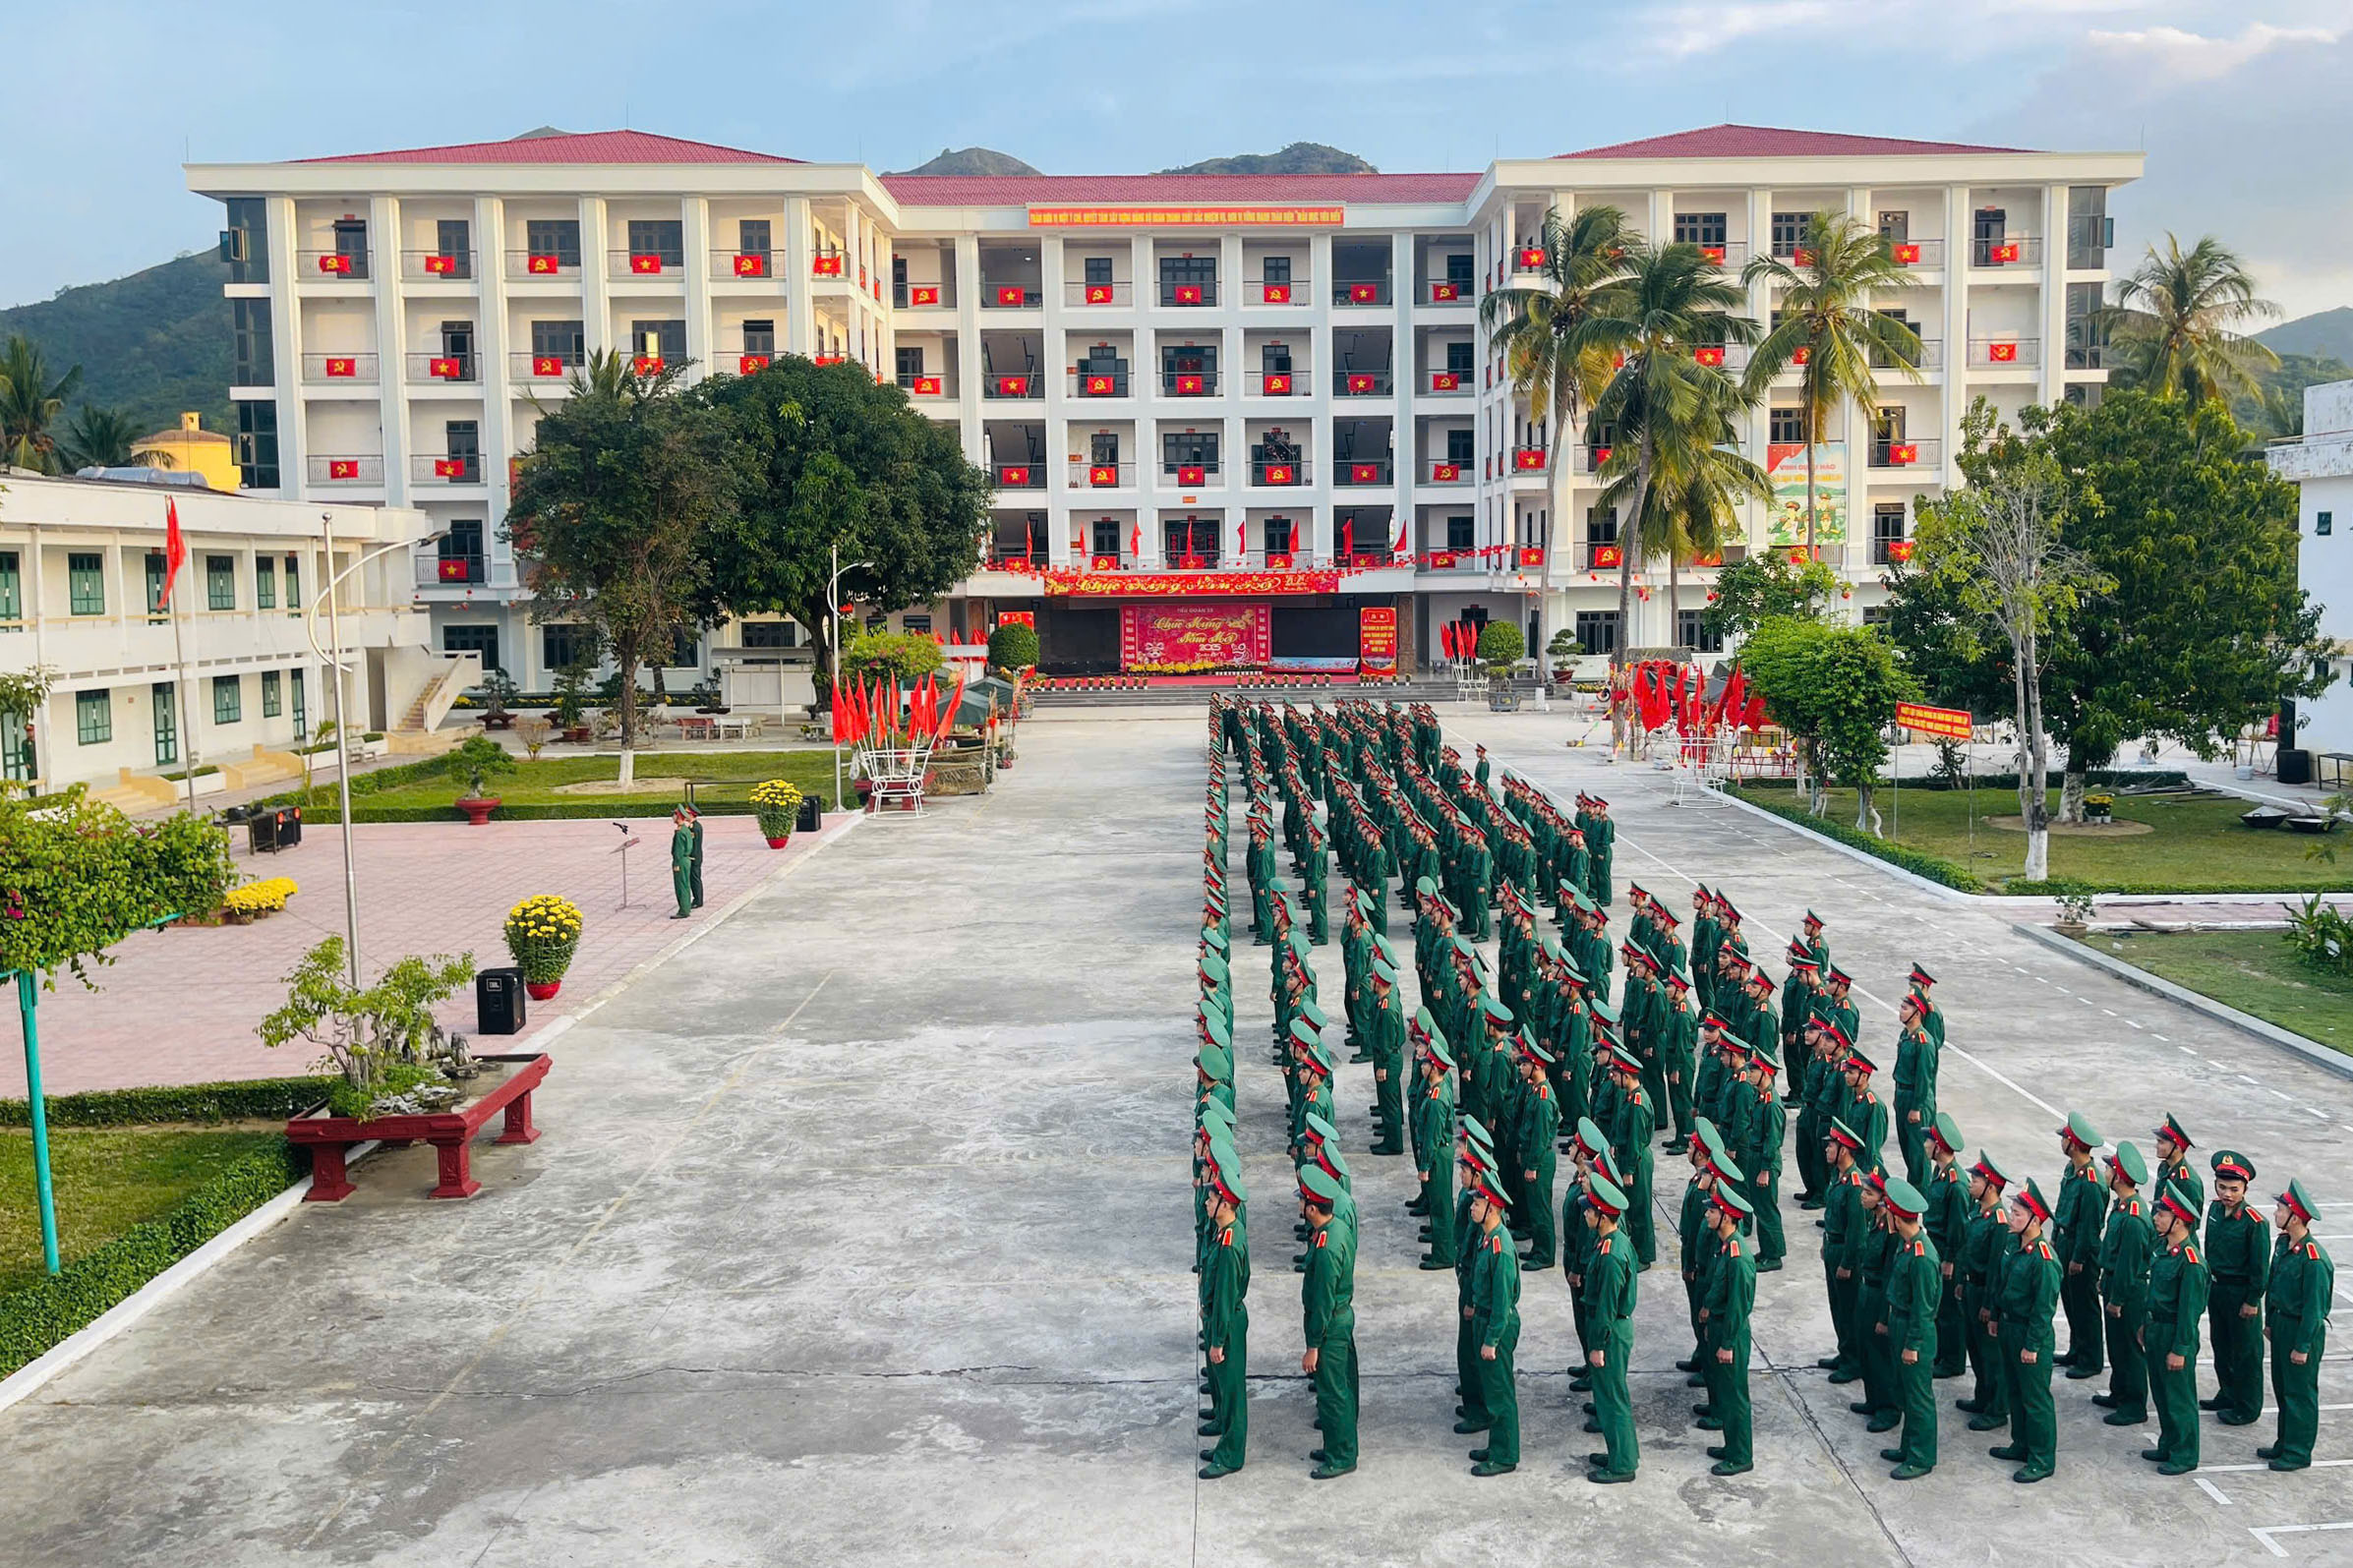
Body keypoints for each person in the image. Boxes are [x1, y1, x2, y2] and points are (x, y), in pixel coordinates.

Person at [1991, 1177, 2062, 1484]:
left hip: (2030, 1334)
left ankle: (2042, 1459)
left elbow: (2043, 1309)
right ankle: (2020, 1444)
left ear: (2035, 1220)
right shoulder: (2014, 1245)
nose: (2011, 1217)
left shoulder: (2044, 1260)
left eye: (2017, 1213)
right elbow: (2003, 1284)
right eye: (2012, 1211)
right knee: (2015, 1391)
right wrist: (1996, 1315)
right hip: (2009, 1326)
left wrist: (2032, 1345)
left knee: (2035, 1400)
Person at [2261, 1180, 2334, 1472]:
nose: (2276, 1213)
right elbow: (2274, 1283)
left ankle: (2298, 1451)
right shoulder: (2283, 1244)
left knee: (2299, 1394)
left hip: (2301, 1329)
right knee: (2282, 1388)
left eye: (2280, 1209)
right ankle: (2284, 1442)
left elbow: (2314, 1308)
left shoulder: (2313, 1260)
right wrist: (2270, 1321)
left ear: (2295, 1217)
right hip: (2282, 1323)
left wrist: (2302, 1346)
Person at [2142, 1181, 2210, 1476]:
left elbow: (2189, 1311)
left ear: (2179, 1221)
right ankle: (2168, 1443)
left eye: (2162, 1214)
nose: (2156, 1218)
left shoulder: (2191, 1262)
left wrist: (2180, 1349)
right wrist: (2145, 1325)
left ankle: (2184, 1454)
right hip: (2156, 1328)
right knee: (2161, 1393)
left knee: (2179, 1398)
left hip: (2174, 1333)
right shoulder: (2164, 1249)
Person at [1298, 1163, 1359, 1480]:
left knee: (1333, 1393)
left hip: (1330, 1326)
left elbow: (1322, 1300)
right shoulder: (1336, 1229)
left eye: (1302, 1201)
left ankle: (1342, 1456)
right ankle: (1337, 1445)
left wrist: (1313, 1345)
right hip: (1340, 1318)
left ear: (1312, 1208)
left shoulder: (1325, 1249)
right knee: (1340, 1388)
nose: (1300, 1205)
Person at [2202, 1149, 2270, 1427]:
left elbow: (2260, 1267)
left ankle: (2247, 1406)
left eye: (2234, 1189)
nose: (2227, 1194)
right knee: (2221, 1345)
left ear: (2245, 1189)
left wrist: (2252, 1300)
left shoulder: (2255, 1222)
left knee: (2246, 1353)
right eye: (2222, 1187)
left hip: (2241, 1293)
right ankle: (2227, 1392)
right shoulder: (2215, 1210)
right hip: (2217, 1289)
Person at [1880, 1177, 1942, 1480]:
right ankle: (1908, 1447)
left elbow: (1924, 1308)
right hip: (1901, 1322)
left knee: (1918, 1399)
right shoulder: (1907, 1246)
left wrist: (1913, 1345)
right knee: (1905, 1392)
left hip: (1914, 1330)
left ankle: (1921, 1457)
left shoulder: (1922, 1257)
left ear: (1896, 1216)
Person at [1466, 1163, 1523, 1476]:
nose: (1472, 1207)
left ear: (1492, 1209)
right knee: (1492, 1390)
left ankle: (1504, 1455)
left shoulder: (1500, 1247)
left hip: (1496, 1324)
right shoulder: (1486, 1238)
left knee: (1500, 1394)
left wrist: (1492, 1339)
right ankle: (1496, 1444)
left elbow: (1503, 1300)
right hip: (1485, 1318)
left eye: (1477, 1204)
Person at [2093, 1141, 2154, 1429]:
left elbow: (2129, 1265)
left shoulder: (2133, 1218)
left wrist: (2117, 1299)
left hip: (2128, 1292)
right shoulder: (2121, 1207)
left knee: (2129, 1349)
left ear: (2118, 1176)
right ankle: (2119, 1392)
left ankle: (2133, 1405)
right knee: (2117, 1345)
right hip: (2114, 1282)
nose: (2105, 1173)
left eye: (2109, 1169)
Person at [1584, 1172, 1640, 1483]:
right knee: (1610, 1397)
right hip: (1613, 1328)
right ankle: (1620, 1453)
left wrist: (1597, 1345)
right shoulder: (1613, 1241)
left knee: (1612, 1399)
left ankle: (1622, 1465)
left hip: (1611, 1333)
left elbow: (1606, 1306)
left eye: (1590, 1210)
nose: (1586, 1214)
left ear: (1603, 1217)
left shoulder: (1611, 1256)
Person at [1197, 1149, 1250, 1480]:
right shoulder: (1225, 1231)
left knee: (1232, 1393)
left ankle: (1231, 1455)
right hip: (1220, 1318)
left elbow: (1227, 1295)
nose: (1207, 1202)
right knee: (1222, 1385)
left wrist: (1217, 1340)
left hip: (1226, 1322)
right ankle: (1222, 1432)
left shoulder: (1229, 1245)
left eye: (1212, 1199)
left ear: (1226, 1205)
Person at [1701, 1183, 1758, 1477]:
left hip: (1730, 1332)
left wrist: (1728, 1343)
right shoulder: (1725, 1248)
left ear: (1726, 1217)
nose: (1707, 1215)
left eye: (1712, 1211)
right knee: (1725, 1392)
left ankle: (1740, 1456)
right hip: (1720, 1326)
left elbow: (1739, 1305)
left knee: (1735, 1397)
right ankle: (1731, 1445)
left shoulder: (1738, 1258)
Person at [1958, 1153, 2013, 1432]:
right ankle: (1982, 1397)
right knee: (1975, 1349)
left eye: (1976, 1180)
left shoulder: (1999, 1221)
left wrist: (1990, 1305)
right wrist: (1961, 1279)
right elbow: (1967, 1248)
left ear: (1990, 1186)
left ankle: (1997, 1408)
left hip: (1984, 1292)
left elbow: (1995, 1268)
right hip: (1971, 1287)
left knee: (1991, 1356)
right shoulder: (1978, 1212)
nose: (1971, 1184)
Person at [2054, 1112, 2108, 1381]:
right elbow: (2061, 1205)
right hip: (2066, 1241)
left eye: (2064, 1138)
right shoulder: (2071, 1170)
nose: (2062, 1141)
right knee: (2071, 1300)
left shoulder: (2091, 1183)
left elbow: (2090, 1226)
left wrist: (2078, 1257)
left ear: (2073, 1144)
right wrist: (2055, 1237)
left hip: (2080, 1248)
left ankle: (2091, 1358)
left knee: (2085, 1306)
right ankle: (2076, 1349)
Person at [668, 807, 695, 919]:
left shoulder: (680, 832)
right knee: (685, 884)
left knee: (681, 886)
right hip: (686, 860)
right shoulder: (685, 829)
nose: (672, 817)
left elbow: (678, 850)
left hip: (681, 861)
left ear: (678, 816)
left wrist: (676, 863)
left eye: (674, 815)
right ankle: (686, 907)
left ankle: (683, 910)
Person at [687, 803, 706, 908]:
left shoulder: (694, 828)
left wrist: (691, 856)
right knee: (694, 878)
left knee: (695, 879)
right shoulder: (695, 826)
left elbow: (693, 844)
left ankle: (698, 900)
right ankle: (697, 899)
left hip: (694, 857)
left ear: (691, 815)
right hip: (696, 856)